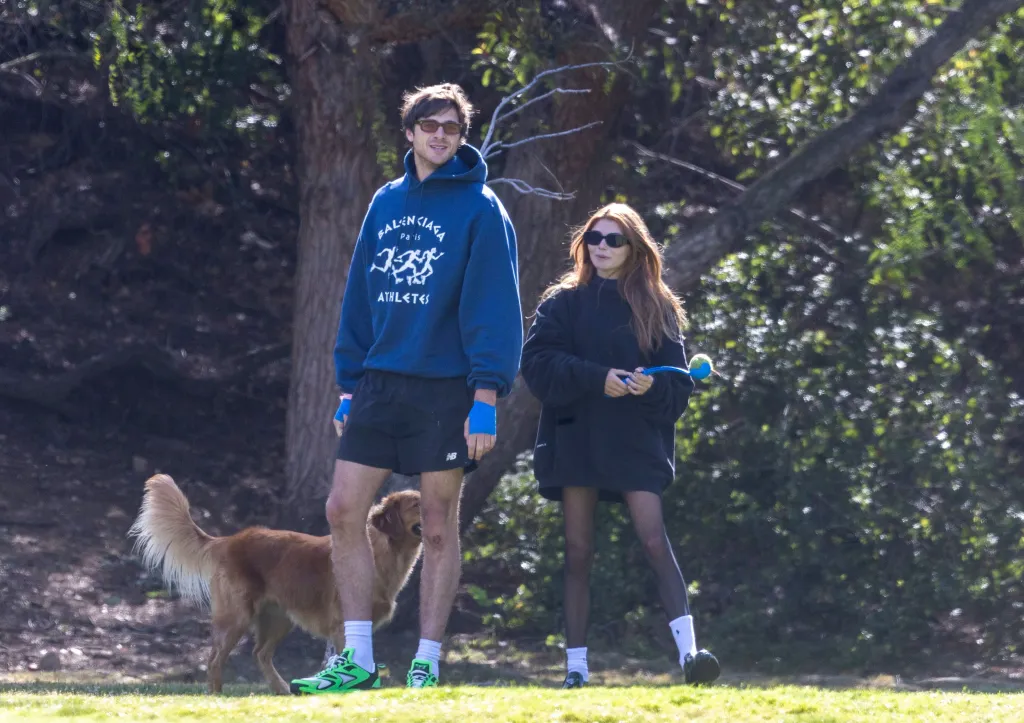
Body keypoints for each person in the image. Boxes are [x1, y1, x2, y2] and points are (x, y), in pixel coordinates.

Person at [290, 83, 522, 693]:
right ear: (410, 131)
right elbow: (359, 297)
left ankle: (426, 660)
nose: (440, 135)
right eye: (429, 124)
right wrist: (348, 385)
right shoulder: (386, 202)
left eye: (451, 127)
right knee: (343, 509)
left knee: (439, 524)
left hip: (448, 390)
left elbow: (494, 309)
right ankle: (358, 659)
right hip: (380, 383)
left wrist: (486, 397)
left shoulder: (482, 209)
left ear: (460, 136)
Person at [519, 202, 720, 688]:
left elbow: (678, 385)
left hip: (634, 441)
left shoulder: (657, 304)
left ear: (634, 247)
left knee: (654, 540)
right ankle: (576, 669)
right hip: (578, 437)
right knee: (578, 549)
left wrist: (650, 387)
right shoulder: (562, 302)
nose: (602, 247)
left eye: (613, 239)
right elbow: (538, 363)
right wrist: (597, 379)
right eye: (594, 238)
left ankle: (692, 657)